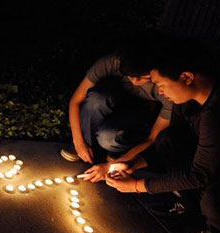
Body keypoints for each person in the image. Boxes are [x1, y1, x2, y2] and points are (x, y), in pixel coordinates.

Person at [83, 37, 220, 233]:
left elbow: (201, 175)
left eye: (161, 85)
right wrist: (125, 165)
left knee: (215, 194)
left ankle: (219, 232)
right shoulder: (186, 103)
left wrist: (137, 186)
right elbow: (169, 143)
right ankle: (189, 204)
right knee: (168, 140)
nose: (160, 92)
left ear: (186, 77)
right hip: (211, 166)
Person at [61, 34, 173, 164]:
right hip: (115, 102)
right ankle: (87, 147)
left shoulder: (166, 87)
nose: (135, 81)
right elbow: (76, 100)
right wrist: (78, 142)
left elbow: (153, 137)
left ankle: (118, 151)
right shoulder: (112, 62)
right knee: (96, 99)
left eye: (141, 77)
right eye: (129, 75)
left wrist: (116, 165)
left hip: (141, 114)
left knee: (107, 138)